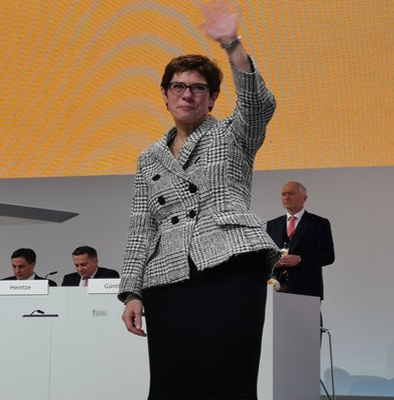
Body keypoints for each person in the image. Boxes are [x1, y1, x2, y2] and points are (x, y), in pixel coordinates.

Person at [118, 2, 280, 398]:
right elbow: (142, 226)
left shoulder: (233, 134)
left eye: (198, 88)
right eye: (178, 86)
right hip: (167, 277)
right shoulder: (149, 157)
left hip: (230, 266)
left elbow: (258, 104)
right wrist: (132, 292)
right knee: (172, 381)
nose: (187, 94)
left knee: (228, 376)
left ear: (212, 98)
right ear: (164, 94)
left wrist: (231, 43)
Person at [266, 181, 335, 299]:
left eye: (291, 194)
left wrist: (300, 259)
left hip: (307, 290)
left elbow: (328, 256)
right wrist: (273, 263)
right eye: (283, 194)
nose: (286, 197)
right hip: (276, 290)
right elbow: (267, 256)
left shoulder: (318, 223)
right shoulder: (273, 224)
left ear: (304, 198)